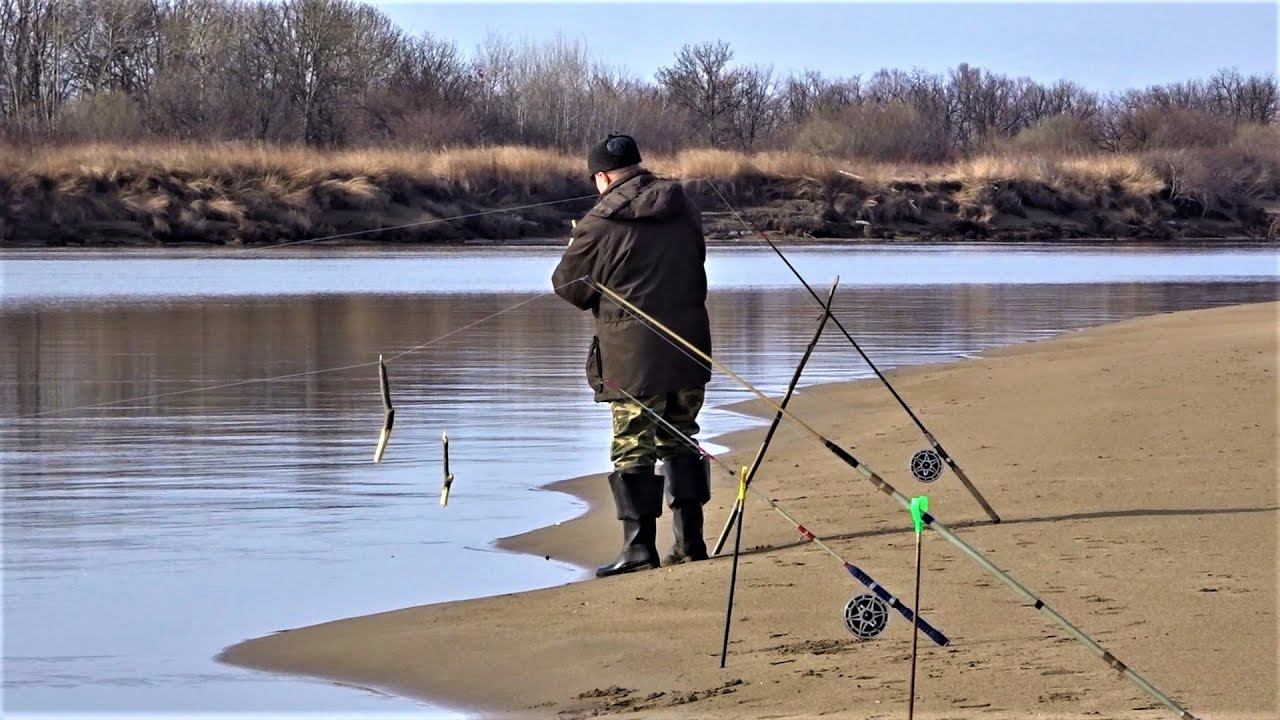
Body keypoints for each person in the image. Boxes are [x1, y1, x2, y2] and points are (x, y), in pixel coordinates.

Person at [552, 134, 713, 578]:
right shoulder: (683, 206)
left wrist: (578, 244)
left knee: (632, 445)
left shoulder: (599, 221)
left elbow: (568, 287)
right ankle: (691, 541)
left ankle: (639, 547)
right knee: (682, 436)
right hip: (688, 347)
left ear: (603, 177)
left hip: (632, 356)